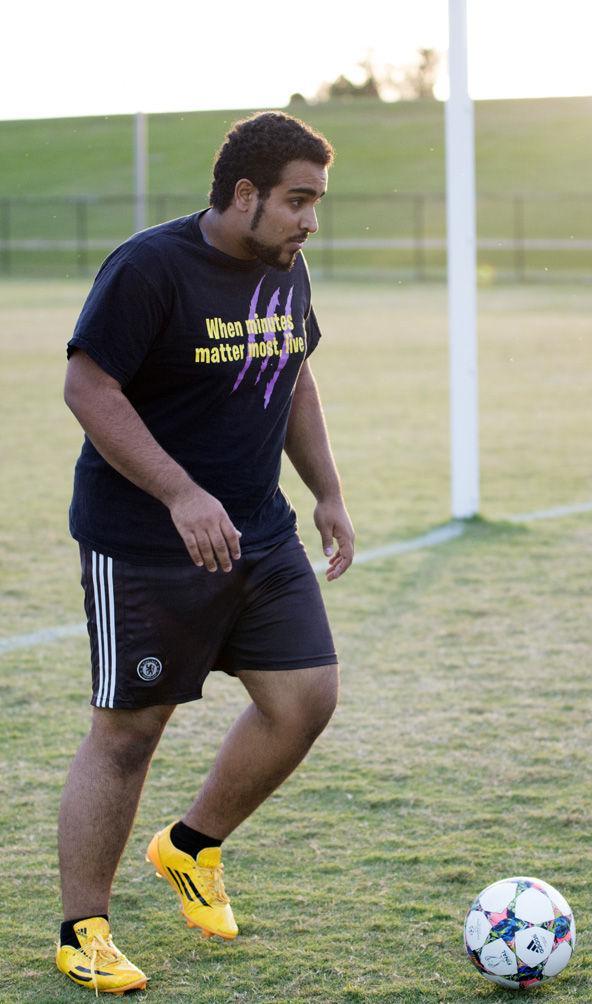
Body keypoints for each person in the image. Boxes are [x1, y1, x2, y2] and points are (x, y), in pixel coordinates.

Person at [55, 110, 354, 995]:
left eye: (317, 204)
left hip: (257, 530)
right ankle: (83, 931)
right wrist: (181, 493)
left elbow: (292, 370)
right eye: (297, 202)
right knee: (129, 734)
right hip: (146, 539)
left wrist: (327, 491)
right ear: (244, 194)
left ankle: (189, 847)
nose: (308, 221)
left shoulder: (284, 267)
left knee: (304, 700)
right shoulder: (150, 267)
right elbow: (87, 383)